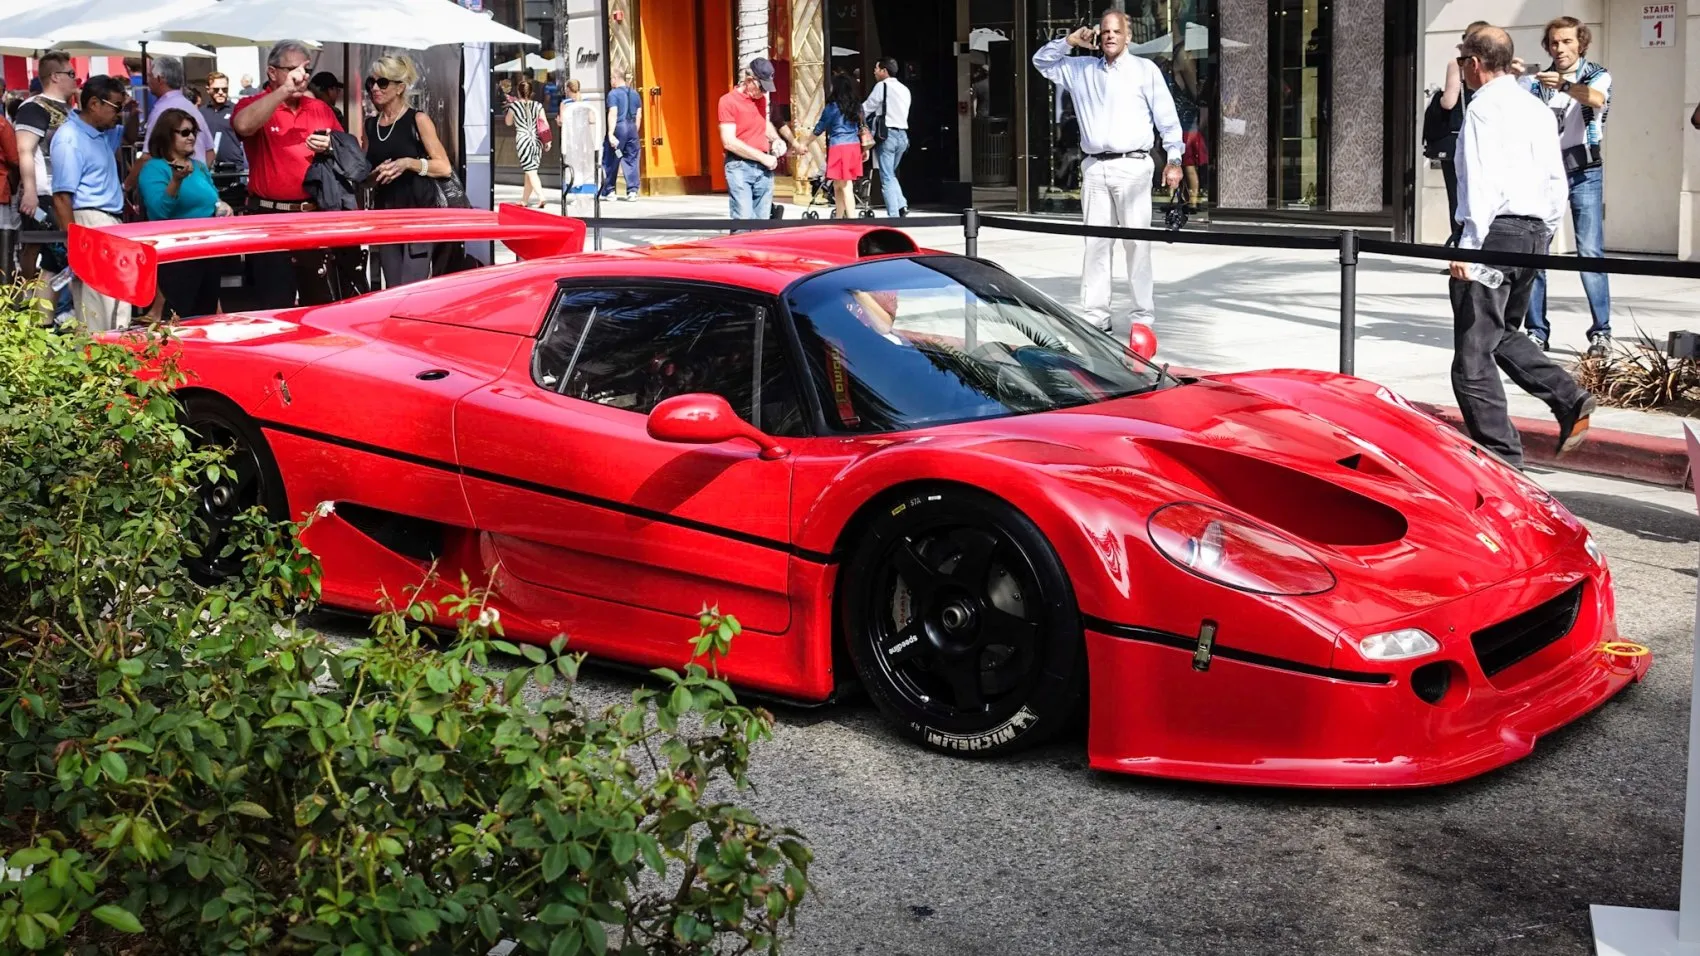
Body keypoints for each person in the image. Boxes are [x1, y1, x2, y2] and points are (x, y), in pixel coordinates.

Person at [1448, 26, 1595, 470]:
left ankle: (1502, 459)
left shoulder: (1482, 110)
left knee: (1472, 359)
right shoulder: (1535, 107)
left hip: (1493, 234)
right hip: (1531, 233)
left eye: (1462, 62)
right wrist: (1545, 233)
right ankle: (1569, 398)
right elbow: (1556, 177)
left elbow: (1480, 179)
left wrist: (1469, 246)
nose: (1462, 70)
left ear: (1475, 63)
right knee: (1503, 333)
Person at [1033, 9, 1183, 336]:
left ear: (1128, 36)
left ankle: (1143, 319)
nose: (1111, 36)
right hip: (1095, 168)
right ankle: (1096, 317)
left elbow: (1167, 119)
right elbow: (1041, 63)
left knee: (1137, 245)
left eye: (1117, 31)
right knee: (1096, 245)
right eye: (1105, 31)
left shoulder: (1145, 70)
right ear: (1099, 35)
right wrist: (1069, 41)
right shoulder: (1081, 69)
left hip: (1133, 166)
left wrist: (1174, 159)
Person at [1519, 16, 1613, 357]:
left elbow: (1596, 99)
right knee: (1537, 253)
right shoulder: (1537, 81)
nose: (1560, 48)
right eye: (1555, 43)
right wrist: (1514, 76)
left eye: (1568, 42)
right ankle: (1536, 331)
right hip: (1545, 173)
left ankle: (1601, 333)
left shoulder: (1596, 74)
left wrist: (1561, 85)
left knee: (1590, 254)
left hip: (1584, 170)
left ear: (1581, 43)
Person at [232, 39, 343, 309]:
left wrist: (331, 146)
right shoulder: (255, 103)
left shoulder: (319, 108)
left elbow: (349, 153)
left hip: (312, 217)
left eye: (305, 70)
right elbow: (243, 126)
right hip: (270, 219)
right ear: (272, 72)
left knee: (318, 306)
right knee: (274, 305)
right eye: (292, 69)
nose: (300, 76)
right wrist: (283, 91)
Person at [362, 54, 451, 288]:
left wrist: (408, 163)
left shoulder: (417, 119)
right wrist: (373, 175)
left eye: (382, 83)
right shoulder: (371, 125)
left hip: (418, 215)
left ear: (400, 87)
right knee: (393, 287)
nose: (375, 88)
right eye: (371, 82)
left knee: (412, 287)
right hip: (386, 217)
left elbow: (444, 166)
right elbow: (367, 178)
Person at [51, 76, 129, 332]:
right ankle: (97, 365)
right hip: (90, 221)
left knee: (115, 302)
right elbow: (62, 196)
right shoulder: (70, 137)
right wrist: (74, 242)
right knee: (97, 306)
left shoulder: (98, 133)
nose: (120, 113)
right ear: (94, 104)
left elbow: (126, 133)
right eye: (117, 106)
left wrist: (128, 110)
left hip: (106, 221)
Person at [136, 108, 230, 319]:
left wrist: (222, 206)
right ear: (168, 135)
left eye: (194, 132)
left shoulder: (199, 167)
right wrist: (176, 181)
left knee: (205, 317)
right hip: (176, 256)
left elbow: (212, 198)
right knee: (177, 317)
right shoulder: (154, 168)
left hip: (208, 251)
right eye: (185, 132)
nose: (192, 137)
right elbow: (159, 212)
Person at [14, 51, 76, 313]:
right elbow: (24, 150)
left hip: (63, 193)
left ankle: (46, 318)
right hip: (43, 195)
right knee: (51, 253)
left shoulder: (70, 109)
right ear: (55, 76)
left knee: (55, 258)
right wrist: (30, 193)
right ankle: (37, 315)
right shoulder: (33, 107)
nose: (76, 80)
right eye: (71, 74)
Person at [1426, 20, 1492, 250]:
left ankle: (1461, 244)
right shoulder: (1496, 64)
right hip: (1488, 140)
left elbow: (1449, 102)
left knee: (1458, 196)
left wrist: (1438, 95)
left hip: (1459, 139)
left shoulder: (1457, 64)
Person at [718, 58, 785, 224]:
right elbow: (729, 142)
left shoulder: (760, 100)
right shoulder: (728, 101)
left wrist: (776, 140)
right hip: (740, 167)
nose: (763, 93)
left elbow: (763, 123)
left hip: (763, 169)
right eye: (761, 88)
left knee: (762, 221)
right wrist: (763, 157)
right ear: (749, 81)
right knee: (743, 218)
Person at [804, 73, 866, 219]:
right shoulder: (857, 106)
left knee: (845, 186)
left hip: (838, 147)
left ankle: (852, 219)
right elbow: (863, 126)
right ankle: (839, 217)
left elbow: (819, 128)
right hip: (853, 146)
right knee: (838, 185)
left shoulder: (832, 107)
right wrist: (865, 148)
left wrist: (805, 143)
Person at [862, 58, 910, 218]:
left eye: (876, 68)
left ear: (884, 71)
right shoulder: (905, 89)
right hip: (903, 135)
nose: (874, 72)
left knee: (886, 176)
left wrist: (852, 113)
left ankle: (894, 216)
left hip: (887, 135)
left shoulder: (882, 86)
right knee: (891, 173)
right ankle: (902, 204)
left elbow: (867, 107)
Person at [504, 75, 547, 208]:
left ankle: (541, 196)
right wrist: (548, 141)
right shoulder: (538, 105)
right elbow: (544, 123)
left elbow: (508, 122)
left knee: (531, 170)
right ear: (531, 92)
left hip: (523, 139)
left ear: (518, 92)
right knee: (530, 169)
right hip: (537, 139)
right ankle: (524, 200)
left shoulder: (514, 106)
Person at [601, 70, 641, 200]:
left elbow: (613, 112)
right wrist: (635, 131)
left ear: (616, 78)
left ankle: (610, 190)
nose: (610, 81)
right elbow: (639, 115)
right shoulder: (635, 93)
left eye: (611, 78)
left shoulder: (613, 94)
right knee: (631, 158)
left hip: (619, 127)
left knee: (611, 158)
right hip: (632, 128)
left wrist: (610, 134)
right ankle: (632, 191)